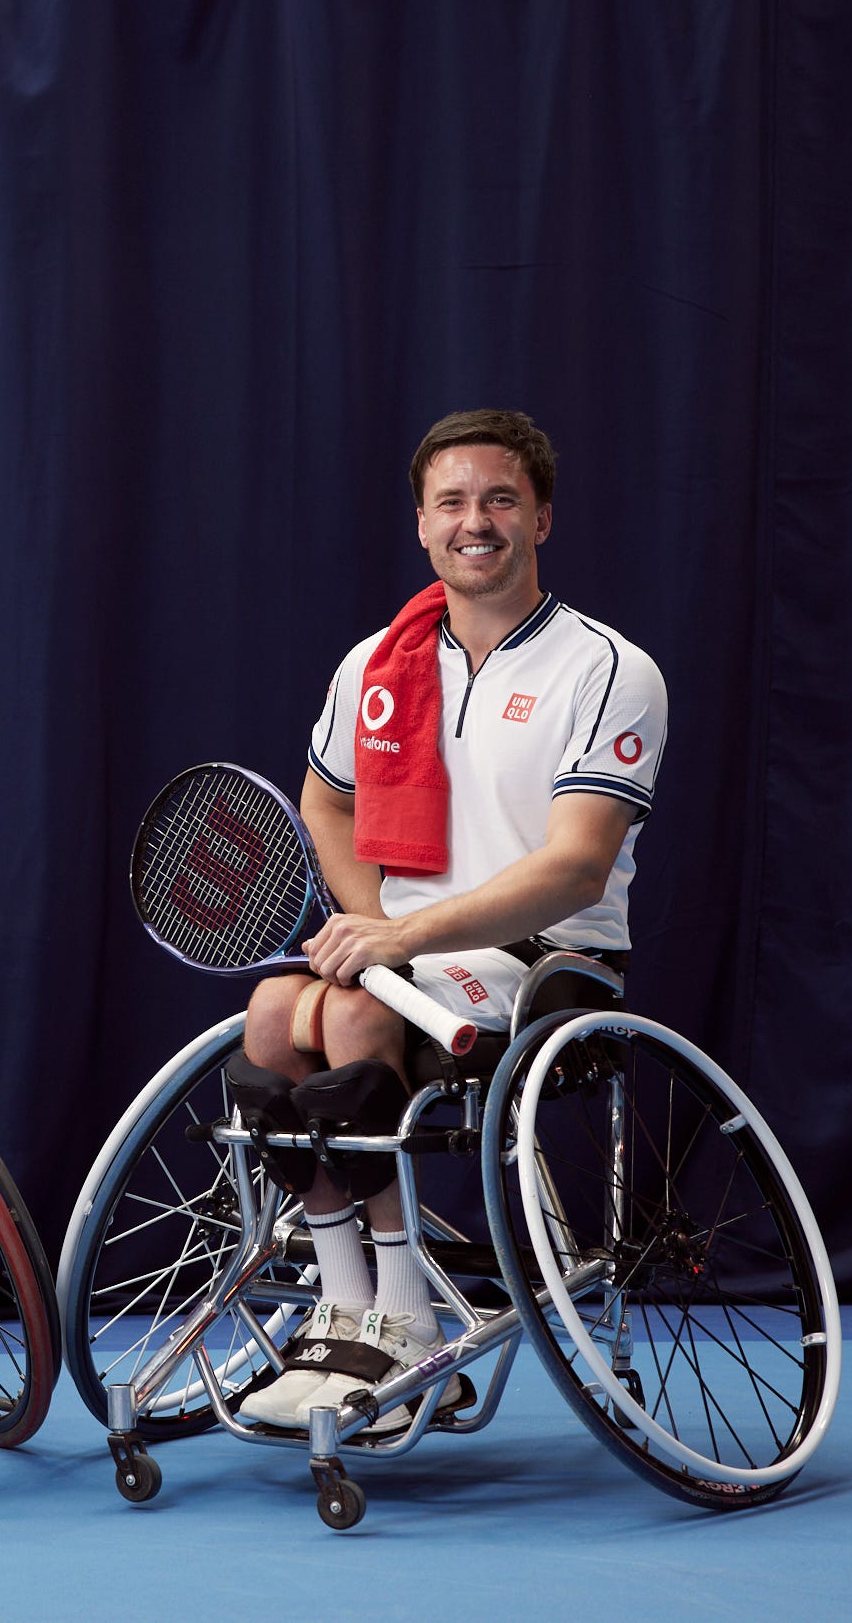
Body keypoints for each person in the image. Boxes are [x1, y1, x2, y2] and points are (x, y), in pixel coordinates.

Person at [231, 408, 665, 1433]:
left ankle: (407, 1322)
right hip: (410, 949)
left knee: (343, 1020)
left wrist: (398, 943)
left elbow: (575, 864)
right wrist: (375, 920)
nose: (477, 521)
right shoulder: (375, 664)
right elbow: (324, 801)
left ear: (542, 518)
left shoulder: (606, 667)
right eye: (454, 503)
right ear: (423, 525)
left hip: (550, 960)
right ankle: (349, 1305)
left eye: (501, 499)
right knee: (266, 1016)